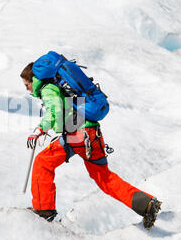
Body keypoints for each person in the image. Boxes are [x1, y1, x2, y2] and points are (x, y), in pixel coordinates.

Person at [20, 61, 162, 229]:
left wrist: (40, 129)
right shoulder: (57, 83)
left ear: (34, 79)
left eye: (27, 85)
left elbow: (55, 110)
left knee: (43, 162)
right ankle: (146, 204)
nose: (27, 89)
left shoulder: (47, 88)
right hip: (91, 134)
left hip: (77, 135)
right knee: (105, 179)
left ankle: (44, 210)